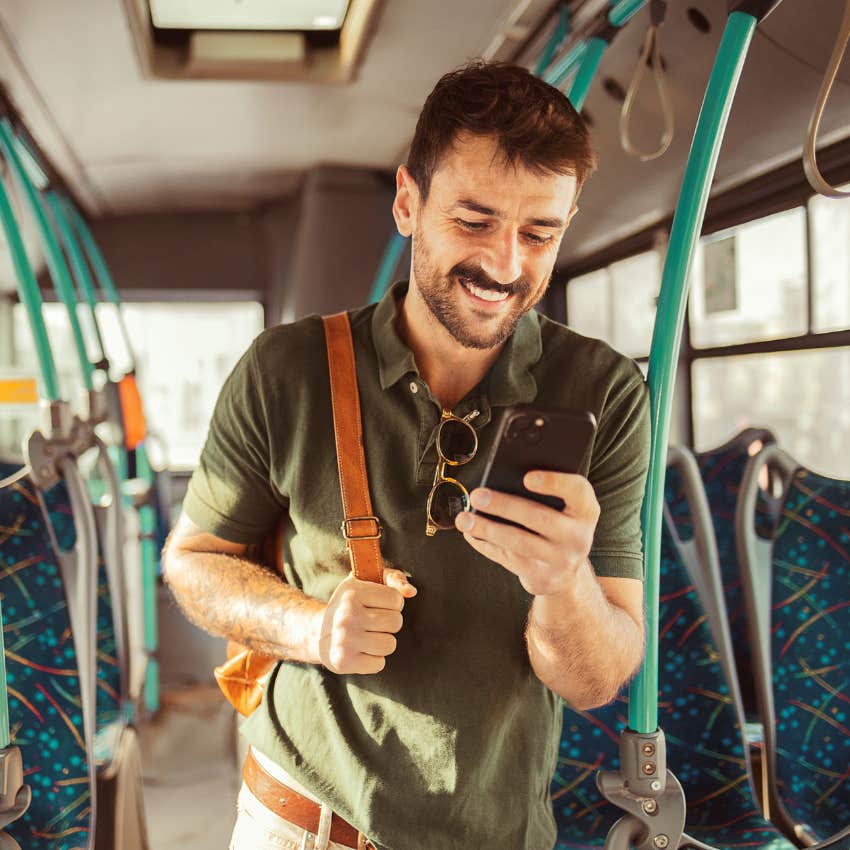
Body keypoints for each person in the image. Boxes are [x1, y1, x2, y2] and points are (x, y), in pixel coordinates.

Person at [163, 61, 649, 850]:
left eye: (540, 234)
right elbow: (193, 562)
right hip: (301, 824)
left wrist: (563, 582)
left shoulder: (607, 392)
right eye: (475, 220)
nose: (504, 264)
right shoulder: (284, 370)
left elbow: (595, 680)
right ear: (406, 203)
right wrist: (312, 627)